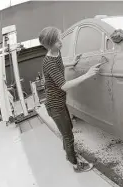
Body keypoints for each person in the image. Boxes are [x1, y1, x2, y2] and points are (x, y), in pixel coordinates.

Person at [38, 26, 103, 173]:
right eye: (57, 40)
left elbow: (60, 63)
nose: (61, 42)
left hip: (60, 102)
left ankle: (69, 153)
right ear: (49, 44)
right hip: (55, 106)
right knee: (68, 136)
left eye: (60, 38)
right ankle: (75, 164)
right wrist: (88, 74)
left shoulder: (56, 53)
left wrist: (71, 63)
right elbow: (65, 85)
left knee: (69, 130)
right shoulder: (47, 62)